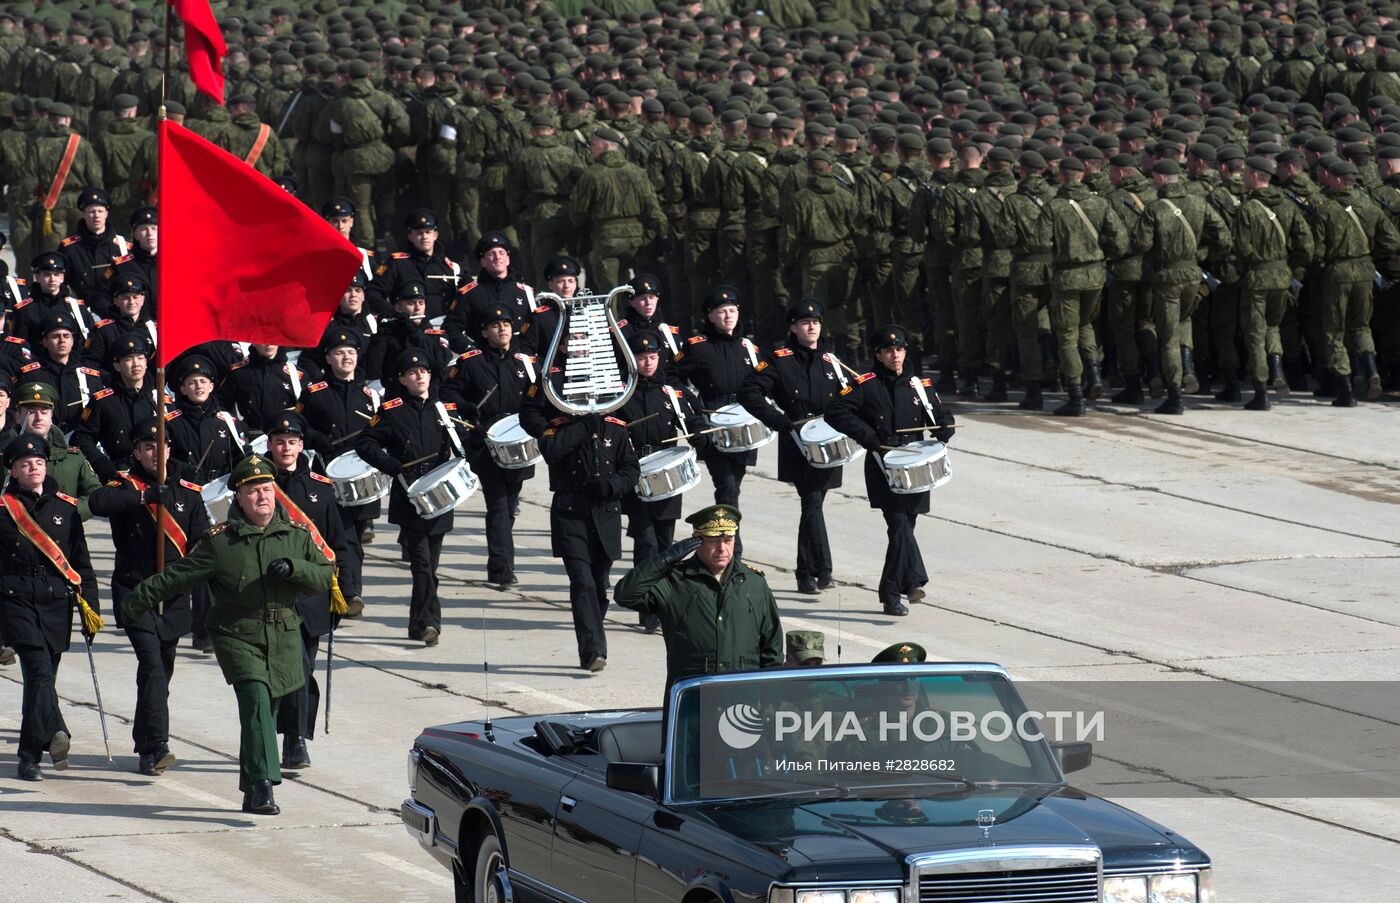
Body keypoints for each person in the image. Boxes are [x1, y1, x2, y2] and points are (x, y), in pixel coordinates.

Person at [119, 453, 333, 815]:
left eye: (267, 489)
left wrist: (295, 568)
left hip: (283, 636)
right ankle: (265, 784)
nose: (262, 497)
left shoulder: (296, 536)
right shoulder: (221, 543)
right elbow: (178, 576)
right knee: (256, 700)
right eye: (253, 492)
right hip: (237, 634)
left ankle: (251, 789)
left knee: (264, 712)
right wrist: (134, 601)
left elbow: (325, 576)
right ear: (239, 498)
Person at [86, 418, 208, 776]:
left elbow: (200, 539)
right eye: (148, 447)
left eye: (162, 446)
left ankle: (144, 742)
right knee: (152, 666)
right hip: (136, 591)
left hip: (172, 594)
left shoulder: (187, 490)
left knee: (159, 673)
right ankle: (157, 746)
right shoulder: (124, 485)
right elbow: (98, 502)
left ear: (171, 449)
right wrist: (142, 498)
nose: (156, 452)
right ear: (136, 452)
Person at [827, 326, 955, 616]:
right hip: (884, 463)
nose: (894, 355)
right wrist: (869, 437)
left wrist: (944, 428)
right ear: (878, 355)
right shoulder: (866, 384)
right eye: (888, 350)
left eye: (899, 349)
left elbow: (940, 415)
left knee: (904, 530)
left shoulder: (920, 385)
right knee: (898, 524)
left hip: (916, 462)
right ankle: (914, 580)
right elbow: (836, 412)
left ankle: (891, 592)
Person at [0, 433, 100, 781]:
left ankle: (37, 747)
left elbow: (81, 562)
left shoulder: (65, 506)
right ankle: (44, 743)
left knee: (42, 680)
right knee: (39, 670)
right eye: (25, 464)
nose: (33, 468)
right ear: (12, 471)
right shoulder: (3, 510)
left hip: (56, 600)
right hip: (16, 597)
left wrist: (91, 608)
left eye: (39, 463)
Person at [520, 388, 640, 673]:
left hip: (605, 516)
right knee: (582, 583)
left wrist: (612, 486)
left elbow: (631, 470)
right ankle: (592, 650)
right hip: (570, 515)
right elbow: (551, 451)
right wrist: (585, 425)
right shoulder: (557, 429)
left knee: (599, 585)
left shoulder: (617, 429)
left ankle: (593, 635)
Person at [356, 348, 469, 646]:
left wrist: (476, 439)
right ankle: (430, 623)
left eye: (423, 372)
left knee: (429, 567)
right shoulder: (391, 410)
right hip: (409, 493)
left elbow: (463, 444)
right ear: (402, 380)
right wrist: (391, 466)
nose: (419, 376)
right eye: (412, 373)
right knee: (421, 565)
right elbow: (365, 443)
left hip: (440, 494)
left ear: (431, 376)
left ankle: (417, 624)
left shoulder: (445, 409)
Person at [263, 412, 356, 770]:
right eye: (279, 442)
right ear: (270, 446)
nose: (286, 448)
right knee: (280, 669)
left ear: (302, 446)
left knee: (301, 670)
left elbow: (339, 542)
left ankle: (295, 739)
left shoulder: (321, 487)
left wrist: (344, 590)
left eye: (292, 442)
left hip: (312, 598)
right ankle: (279, 736)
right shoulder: (258, 485)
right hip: (271, 594)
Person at [738, 299, 848, 594]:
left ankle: (808, 572)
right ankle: (819, 571)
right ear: (793, 327)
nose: (811, 327)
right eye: (804, 323)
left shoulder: (831, 361)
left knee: (815, 504)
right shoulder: (779, 359)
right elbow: (749, 391)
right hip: (799, 439)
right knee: (811, 501)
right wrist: (778, 420)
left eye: (815, 322)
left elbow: (851, 395)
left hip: (829, 439)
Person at [614, 504, 783, 694]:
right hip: (693, 697)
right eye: (713, 540)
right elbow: (625, 594)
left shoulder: (754, 583)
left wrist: (772, 698)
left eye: (728, 540)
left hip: (744, 697)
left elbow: (772, 647)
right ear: (697, 541)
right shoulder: (675, 580)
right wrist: (664, 560)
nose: (722, 548)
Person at [614, 329, 708, 630]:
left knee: (667, 542)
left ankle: (665, 600)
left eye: (653, 357)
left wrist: (700, 433)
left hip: (667, 474)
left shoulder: (672, 393)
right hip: (635, 472)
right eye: (642, 358)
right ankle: (646, 605)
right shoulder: (619, 393)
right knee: (645, 542)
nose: (648, 363)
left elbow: (692, 420)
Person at [441, 306, 537, 587]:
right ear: (484, 332)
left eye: (506, 324)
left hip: (519, 442)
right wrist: (468, 409)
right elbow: (447, 394)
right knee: (497, 503)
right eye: (494, 325)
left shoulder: (526, 362)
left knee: (509, 504)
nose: (502, 329)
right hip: (485, 442)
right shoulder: (470, 362)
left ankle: (499, 563)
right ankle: (502, 567)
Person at [672, 285, 763, 522]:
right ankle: (733, 549)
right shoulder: (697, 346)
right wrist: (692, 403)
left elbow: (765, 383)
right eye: (722, 311)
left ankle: (726, 542)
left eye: (732, 310)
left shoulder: (749, 349)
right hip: (711, 425)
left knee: (734, 486)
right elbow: (671, 377)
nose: (728, 316)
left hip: (744, 426)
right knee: (727, 486)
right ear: (711, 316)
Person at [297, 326, 381, 551]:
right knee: (338, 538)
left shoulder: (371, 396)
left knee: (356, 540)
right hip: (328, 473)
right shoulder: (314, 393)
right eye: (340, 352)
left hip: (362, 476)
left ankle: (351, 584)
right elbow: (298, 426)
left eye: (351, 352)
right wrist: (315, 437)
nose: (347, 357)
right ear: (328, 358)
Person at [0, 381, 102, 520]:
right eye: (31, 412)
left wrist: (70, 512)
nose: (39, 418)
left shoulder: (72, 456)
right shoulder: (4, 455)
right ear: (18, 416)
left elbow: (95, 492)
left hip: (62, 535)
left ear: (51, 415)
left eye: (44, 411)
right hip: (15, 532)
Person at [366, 209, 461, 320]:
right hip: (405, 329)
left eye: (428, 232)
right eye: (419, 233)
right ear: (410, 236)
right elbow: (372, 293)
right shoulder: (396, 263)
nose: (424, 236)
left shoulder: (449, 268)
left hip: (440, 330)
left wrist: (467, 289)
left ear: (435, 235)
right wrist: (394, 314)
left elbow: (461, 303)